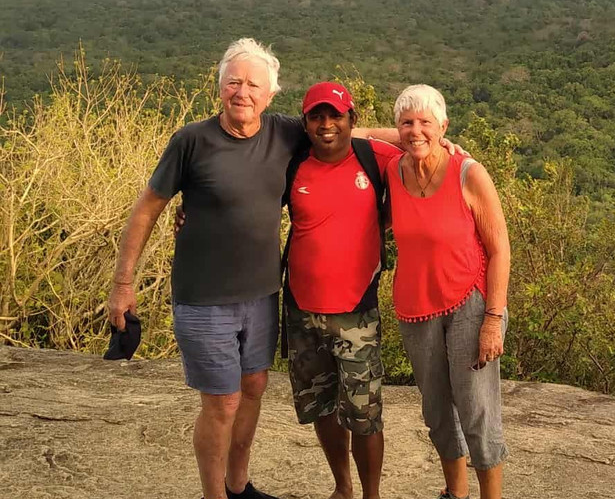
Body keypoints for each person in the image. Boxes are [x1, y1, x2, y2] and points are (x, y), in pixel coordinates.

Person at [106, 38, 426, 499]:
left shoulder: (284, 133)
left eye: (253, 85)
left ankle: (239, 485)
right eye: (234, 82)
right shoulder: (192, 141)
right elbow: (147, 208)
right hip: (206, 297)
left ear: (270, 94)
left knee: (254, 386)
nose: (243, 93)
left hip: (263, 296)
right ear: (220, 87)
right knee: (224, 401)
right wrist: (123, 282)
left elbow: (345, 130)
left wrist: (419, 136)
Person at [387, 85, 512, 499]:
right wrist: (409, 136)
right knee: (437, 409)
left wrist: (493, 319)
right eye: (406, 123)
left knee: (476, 410)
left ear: (444, 126)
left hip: (469, 303)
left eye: (426, 122)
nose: (415, 131)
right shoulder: (392, 170)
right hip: (416, 307)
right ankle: (455, 494)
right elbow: (356, 134)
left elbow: (500, 249)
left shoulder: (468, 173)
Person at [282, 82, 400, 499]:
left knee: (364, 414)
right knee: (322, 404)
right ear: (305, 123)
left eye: (336, 115)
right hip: (301, 310)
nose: (326, 124)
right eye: (317, 116)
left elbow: (420, 145)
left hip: (356, 312)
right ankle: (342, 487)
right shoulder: (293, 164)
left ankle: (371, 495)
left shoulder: (375, 158)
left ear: (352, 119)